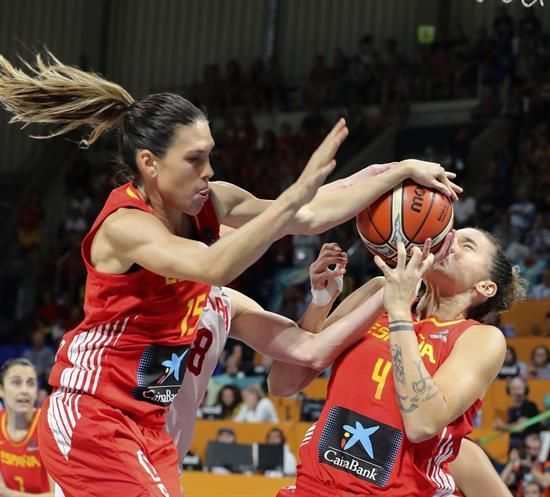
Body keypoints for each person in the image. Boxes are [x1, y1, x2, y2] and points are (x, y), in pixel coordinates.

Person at [269, 228, 526, 496]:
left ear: (485, 287)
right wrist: (321, 303)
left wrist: (399, 311)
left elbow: (422, 423)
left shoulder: (480, 338)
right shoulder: (378, 294)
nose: (449, 241)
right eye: (451, 234)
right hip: (312, 487)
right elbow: (282, 383)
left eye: (467, 245)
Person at [167, 242, 391, 467]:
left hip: (164, 457)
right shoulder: (375, 295)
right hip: (141, 444)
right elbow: (285, 380)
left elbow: (307, 352)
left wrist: (321, 301)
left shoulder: (225, 301)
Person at [0, 358, 53, 496]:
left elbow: (58, 494)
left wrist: (8, 494)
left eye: (30, 383)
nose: (25, 390)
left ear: (36, 391)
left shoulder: (49, 426)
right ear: (1, 390)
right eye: (16, 383)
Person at [494, 376, 540, 449]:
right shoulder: (511, 409)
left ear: (525, 389)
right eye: (513, 388)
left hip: (527, 446)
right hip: (514, 445)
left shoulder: (529, 405)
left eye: (519, 388)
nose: (516, 392)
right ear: (509, 390)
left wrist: (502, 426)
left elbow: (519, 428)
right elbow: (510, 427)